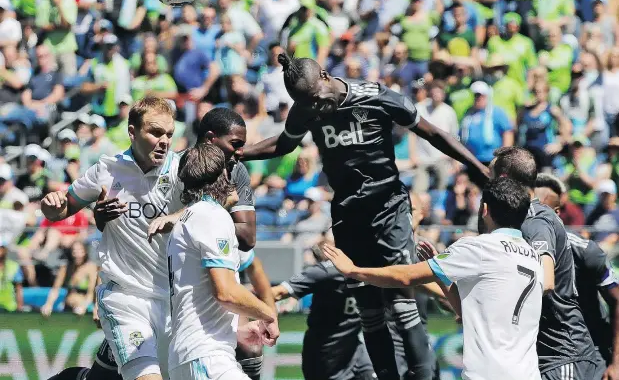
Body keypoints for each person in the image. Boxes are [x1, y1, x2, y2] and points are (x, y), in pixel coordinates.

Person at [241, 53, 489, 380]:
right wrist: (242, 152)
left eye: (317, 99)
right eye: (307, 105)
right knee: (369, 309)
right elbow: (285, 145)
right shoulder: (304, 110)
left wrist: (479, 168)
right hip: (347, 216)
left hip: (388, 207)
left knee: (402, 299)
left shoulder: (375, 96)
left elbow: (432, 133)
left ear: (327, 76)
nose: (316, 108)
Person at [322, 177, 544, 380]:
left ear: (484, 210)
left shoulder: (479, 247)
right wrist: (441, 275)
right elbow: (466, 311)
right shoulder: (533, 256)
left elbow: (406, 277)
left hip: (488, 374)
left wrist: (354, 271)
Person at [41, 96, 184, 380]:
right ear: (132, 132)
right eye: (155, 132)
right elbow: (63, 208)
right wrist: (52, 205)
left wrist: (176, 217)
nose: (164, 141)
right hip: (124, 297)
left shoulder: (182, 170)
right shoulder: (106, 170)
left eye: (169, 134)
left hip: (171, 300)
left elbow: (223, 199)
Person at [490, 146, 605, 380]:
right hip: (544, 355)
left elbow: (546, 281)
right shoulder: (519, 218)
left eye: (490, 178)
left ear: (503, 179)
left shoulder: (535, 220)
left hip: (562, 355)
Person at [167, 142, 279, 380]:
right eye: (231, 169)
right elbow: (226, 293)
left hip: (199, 354)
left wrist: (236, 330)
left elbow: (202, 294)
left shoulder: (191, 216)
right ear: (223, 175)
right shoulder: (211, 215)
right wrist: (267, 313)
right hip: (205, 356)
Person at [535, 173, 619, 378]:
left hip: (589, 356)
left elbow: (617, 300)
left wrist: (616, 363)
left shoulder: (584, 251)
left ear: (556, 212)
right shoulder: (517, 249)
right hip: (540, 358)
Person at [271, 238, 377, 380]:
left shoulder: (372, 269)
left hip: (354, 351)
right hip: (324, 356)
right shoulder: (325, 272)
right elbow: (278, 292)